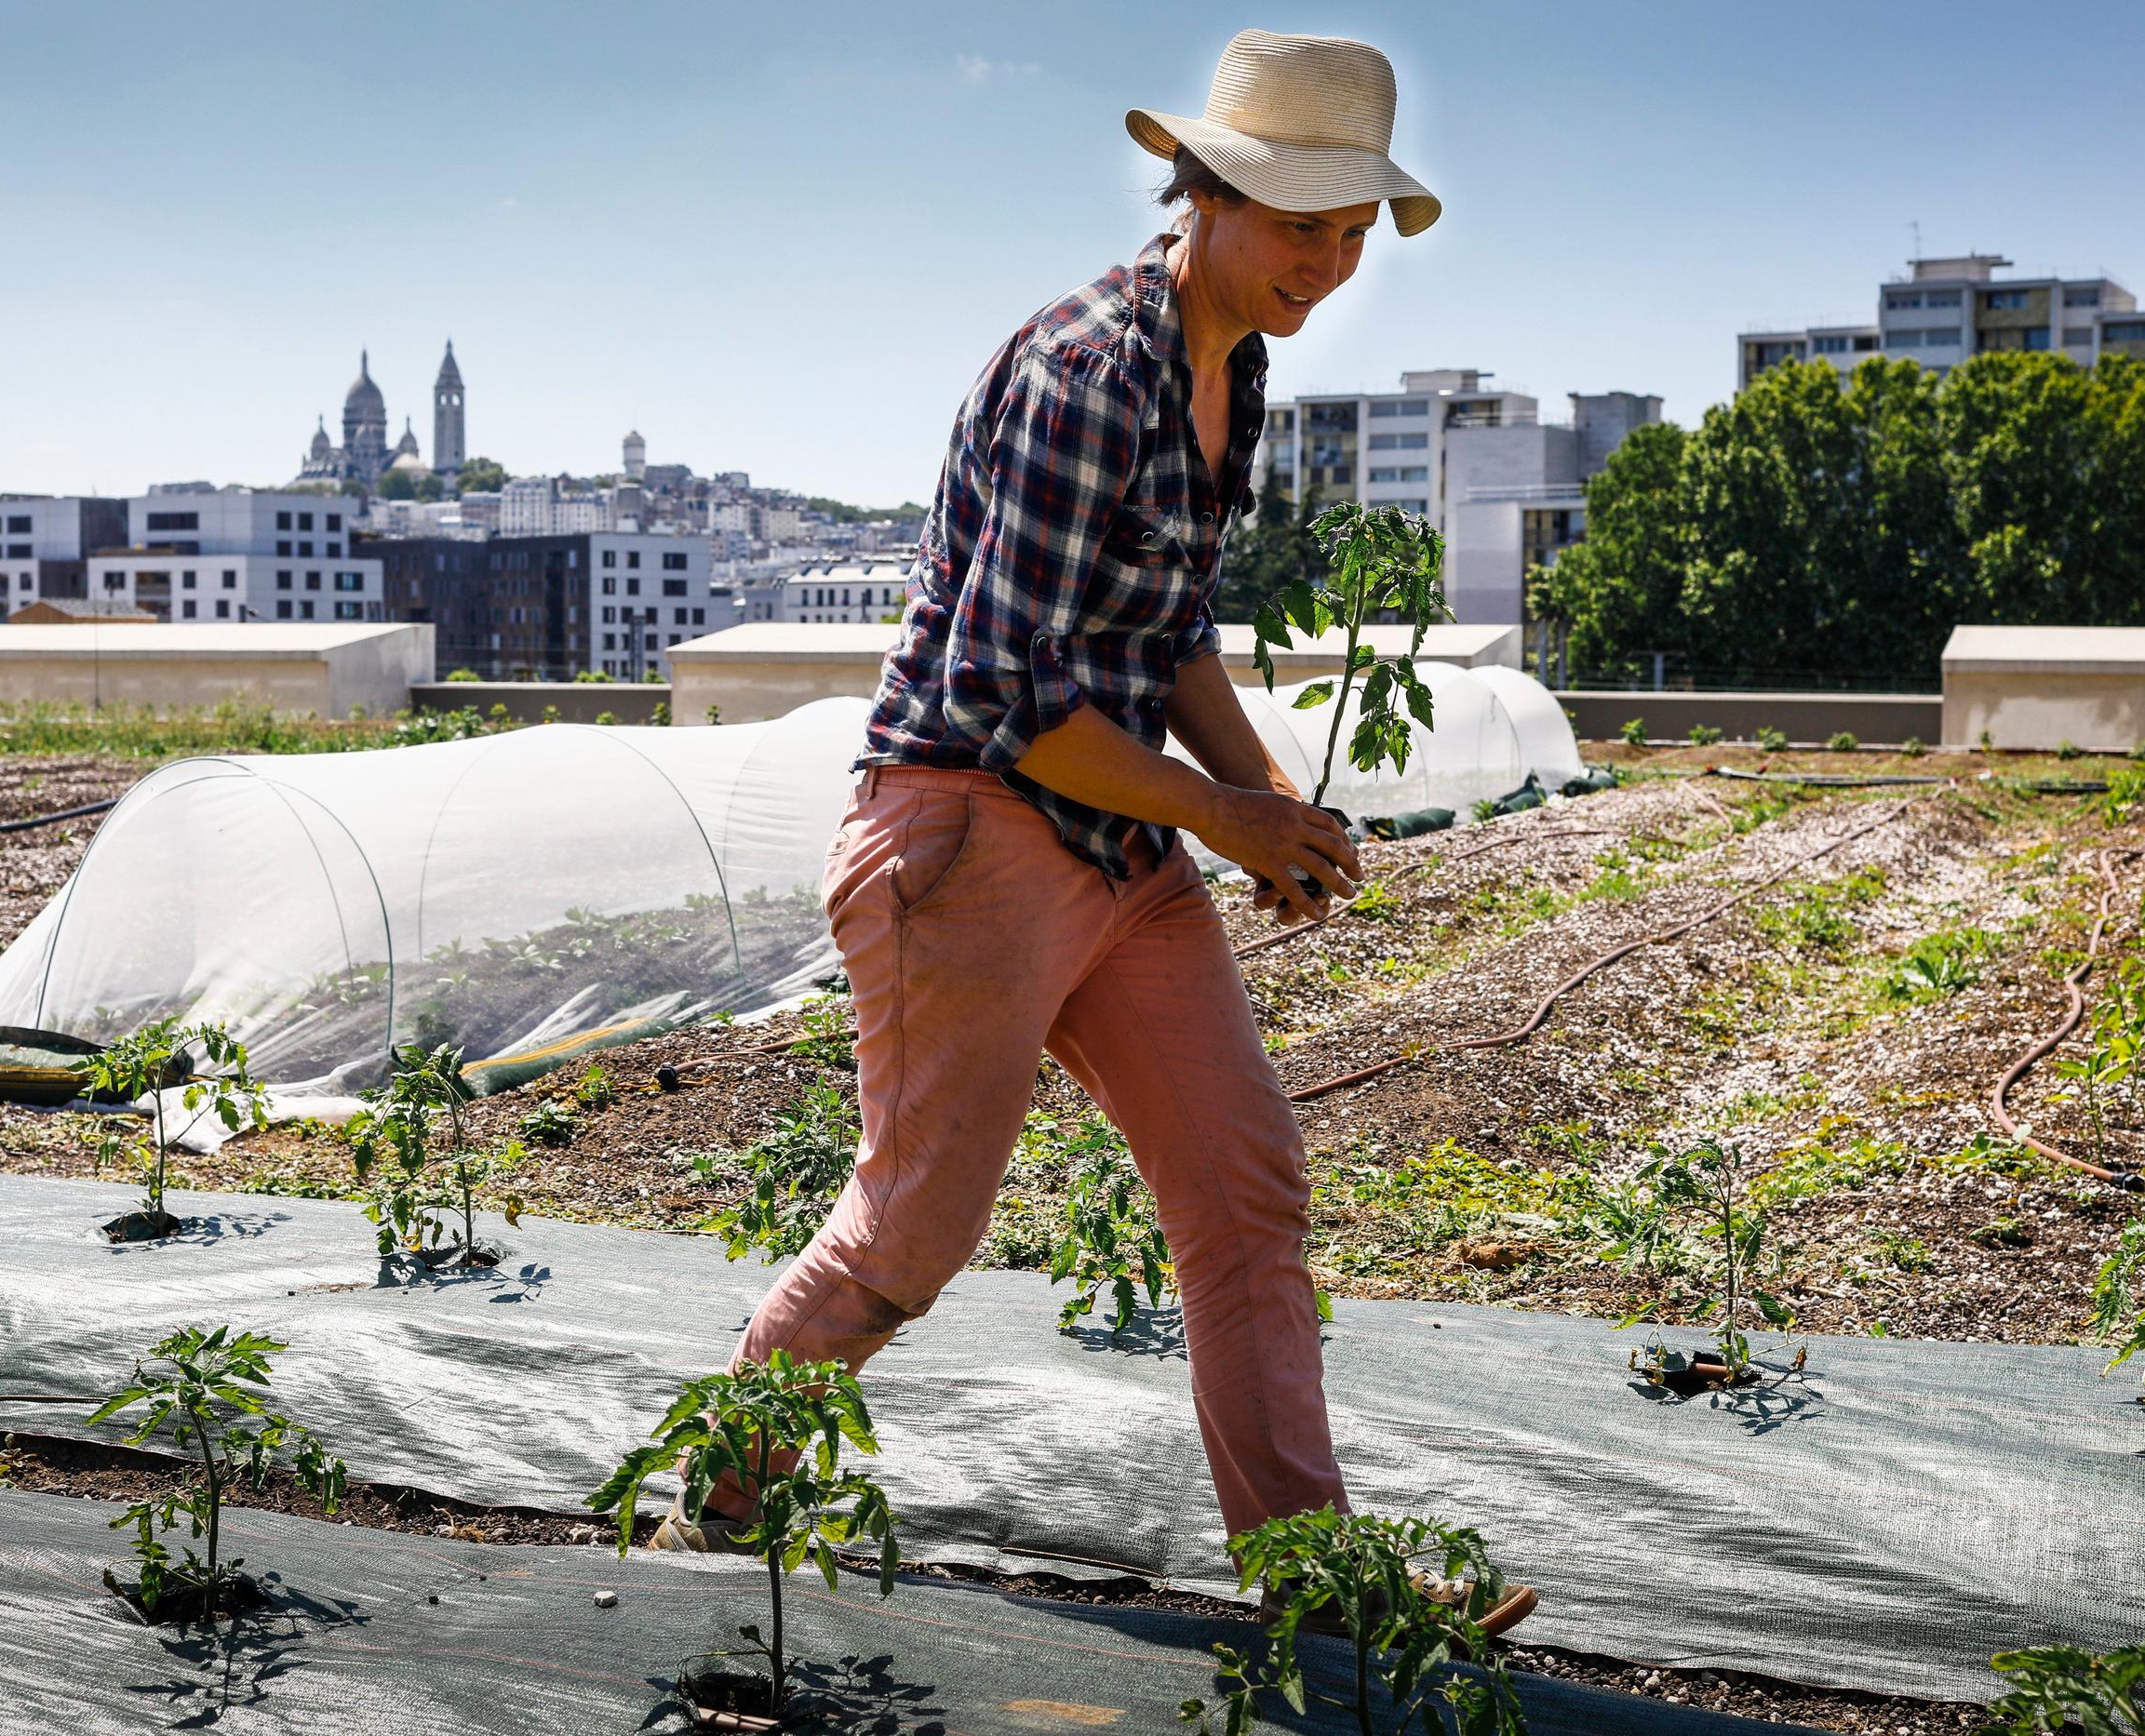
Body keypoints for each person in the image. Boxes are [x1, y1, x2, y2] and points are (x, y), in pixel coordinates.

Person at [655, 28, 1537, 1636]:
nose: (1330, 269)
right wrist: (1221, 811)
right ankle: (726, 1490)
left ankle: (1314, 1580)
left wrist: (1264, 810)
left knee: (1245, 1187)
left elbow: (1173, 633)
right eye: (1304, 229)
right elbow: (1009, 692)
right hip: (969, 827)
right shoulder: (1087, 368)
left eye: (1353, 239)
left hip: (1119, 846)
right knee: (919, 1219)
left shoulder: (1238, 369)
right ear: (1204, 192)